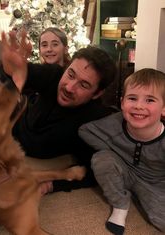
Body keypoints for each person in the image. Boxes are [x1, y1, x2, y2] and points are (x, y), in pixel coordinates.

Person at [0, 30, 117, 191]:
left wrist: (54, 185)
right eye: (71, 74)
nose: (69, 87)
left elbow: (97, 172)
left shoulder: (94, 122)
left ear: (97, 93)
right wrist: (9, 67)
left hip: (13, 142)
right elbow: (16, 73)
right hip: (12, 113)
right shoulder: (54, 75)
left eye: (83, 85)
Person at [79, 68, 165, 234]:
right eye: (132, 98)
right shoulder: (114, 122)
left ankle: (141, 196)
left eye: (150, 100)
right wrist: (114, 151)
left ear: (163, 109)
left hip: (154, 183)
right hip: (122, 170)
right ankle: (120, 206)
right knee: (102, 159)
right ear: (122, 102)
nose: (139, 106)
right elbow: (85, 131)